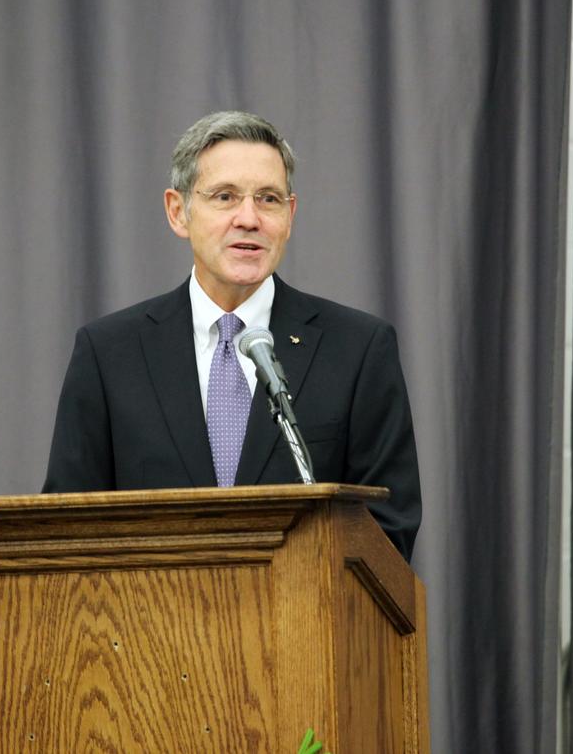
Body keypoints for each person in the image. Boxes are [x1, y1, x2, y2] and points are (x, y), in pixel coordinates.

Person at [43, 111, 421, 559]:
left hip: (301, 625)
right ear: (178, 211)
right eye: (225, 197)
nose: (249, 218)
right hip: (149, 625)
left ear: (290, 215)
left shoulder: (358, 349)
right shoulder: (109, 354)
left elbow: (389, 532)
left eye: (268, 199)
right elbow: (66, 535)